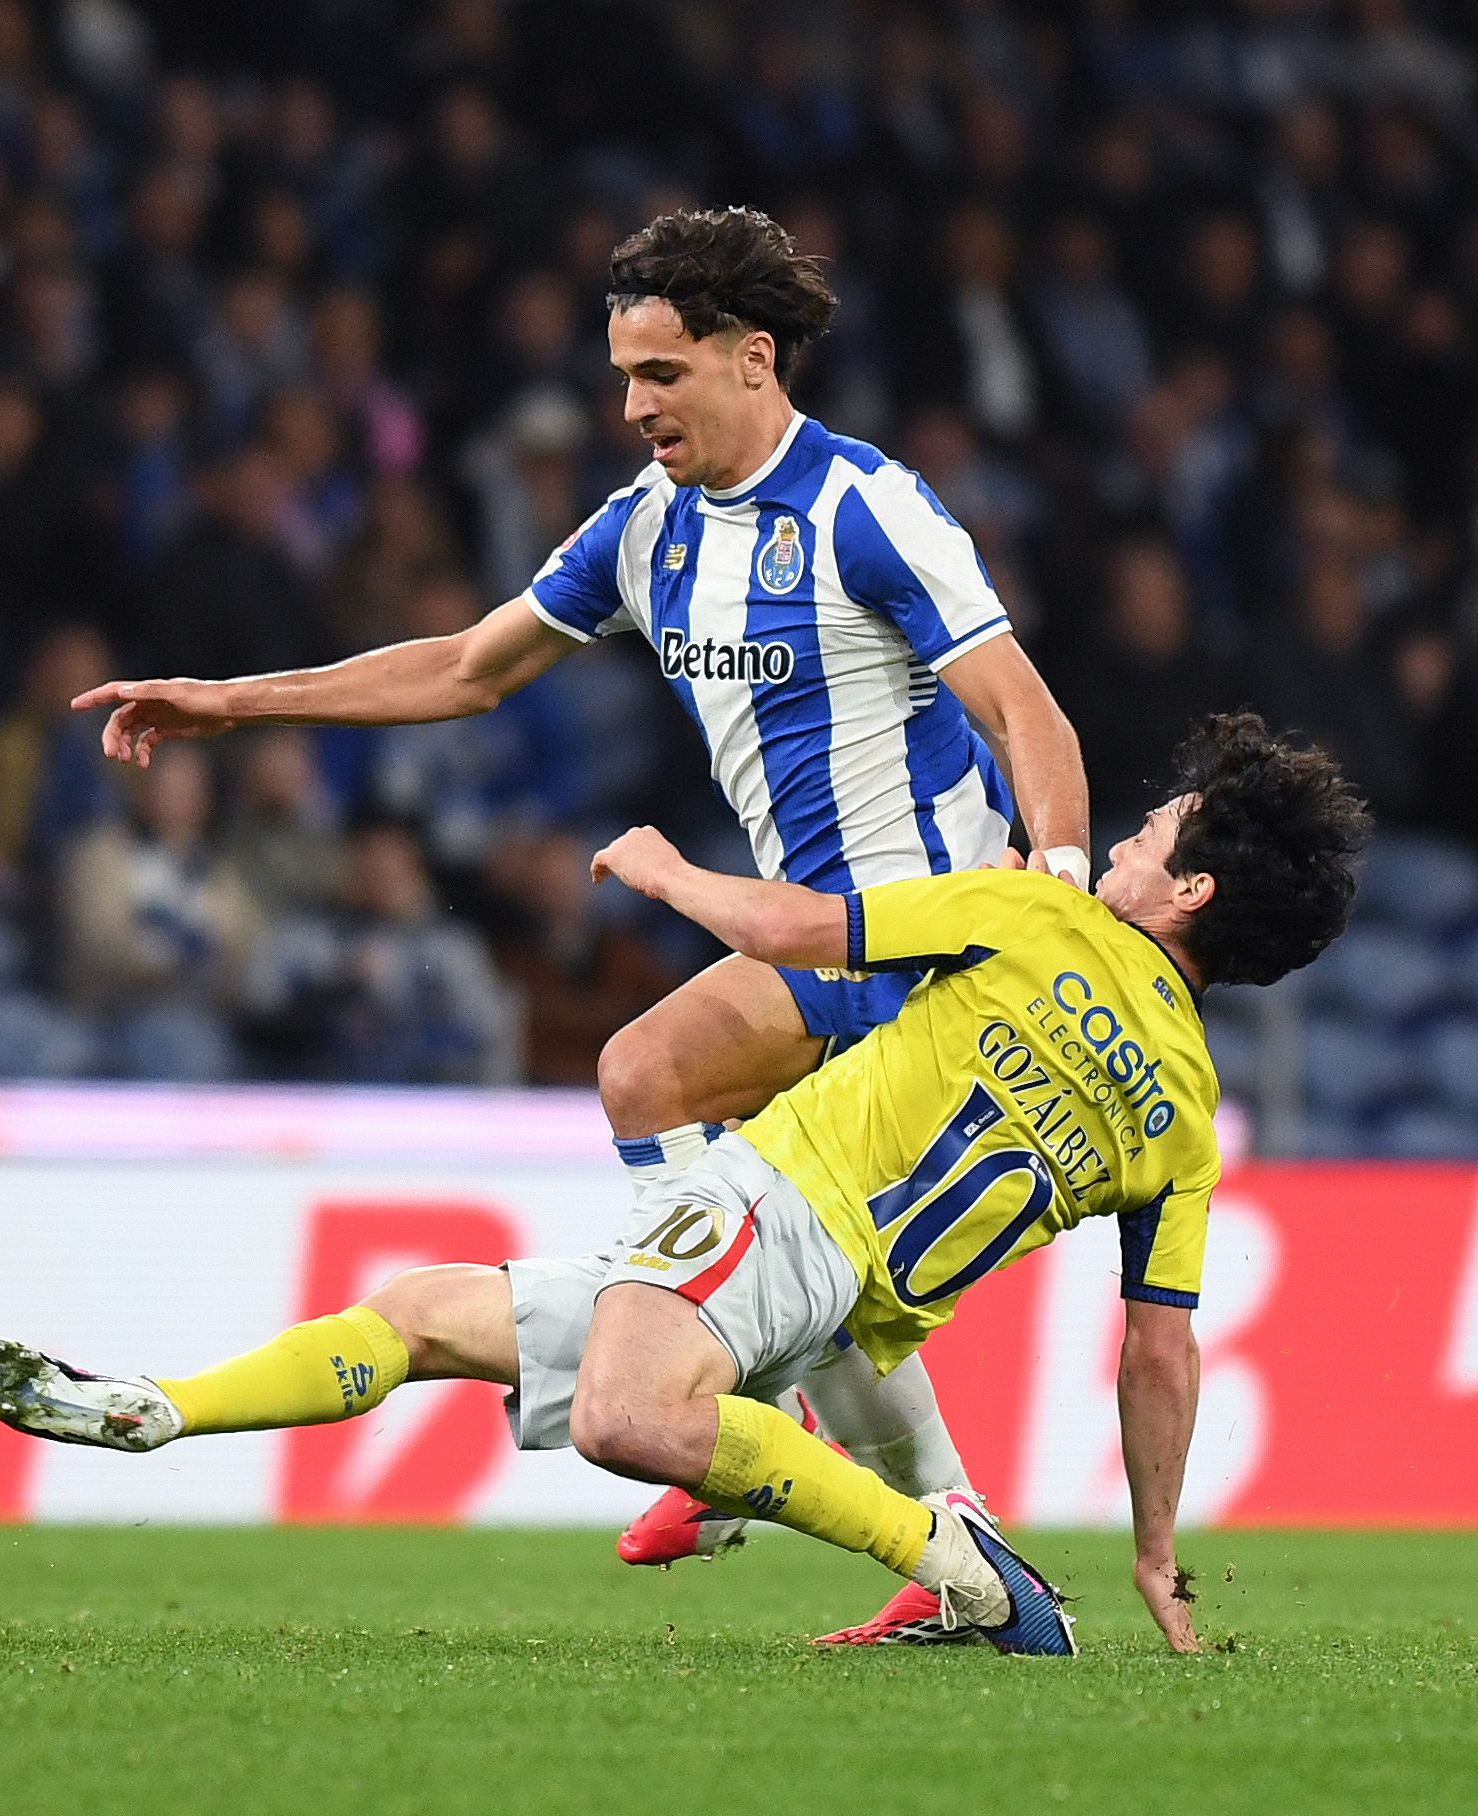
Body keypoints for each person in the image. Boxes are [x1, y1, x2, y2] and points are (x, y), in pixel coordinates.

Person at [65, 206, 1091, 1638]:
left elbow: (1018, 703)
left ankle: (801, 1441)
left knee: (810, 1251)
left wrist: (1059, 870)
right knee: (648, 1078)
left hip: (935, 951)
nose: (633, 406)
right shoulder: (646, 529)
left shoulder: (870, 508)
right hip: (810, 941)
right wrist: (234, 704)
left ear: (753, 358)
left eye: (662, 373)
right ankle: (890, 1504)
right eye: (623, 374)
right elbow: (470, 666)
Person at [0, 714, 1367, 1655]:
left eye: (1152, 836)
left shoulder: (1033, 916)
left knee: (633, 1417)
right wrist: (1158, 1548)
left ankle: (955, 1559)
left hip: (777, 1201)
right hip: (842, 1305)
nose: (1119, 841)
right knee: (427, 1312)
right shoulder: (1186, 1114)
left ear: (1188, 894)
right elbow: (1162, 1349)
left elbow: (810, 929)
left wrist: (663, 872)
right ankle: (155, 1410)